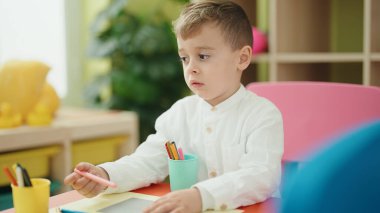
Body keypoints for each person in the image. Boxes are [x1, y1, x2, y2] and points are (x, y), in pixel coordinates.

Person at [64, 0, 284, 212]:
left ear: (242, 58)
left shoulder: (262, 114)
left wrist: (201, 196)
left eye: (203, 56)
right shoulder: (180, 113)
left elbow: (261, 176)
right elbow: (147, 162)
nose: (191, 68)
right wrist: (106, 175)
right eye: (184, 58)